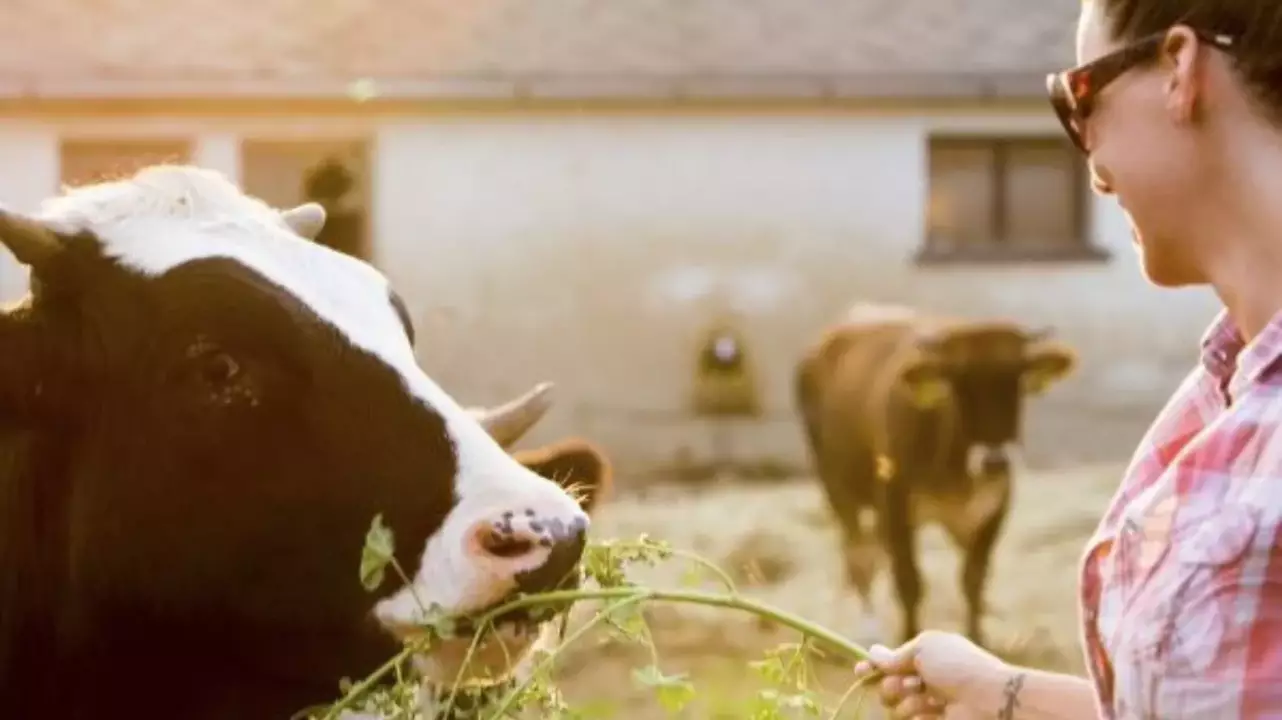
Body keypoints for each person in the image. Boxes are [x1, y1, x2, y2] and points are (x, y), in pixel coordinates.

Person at [855, 0, 1282, 717]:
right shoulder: (1224, 382)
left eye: (1078, 97)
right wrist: (1007, 695)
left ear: (1179, 69)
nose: (1080, 144)